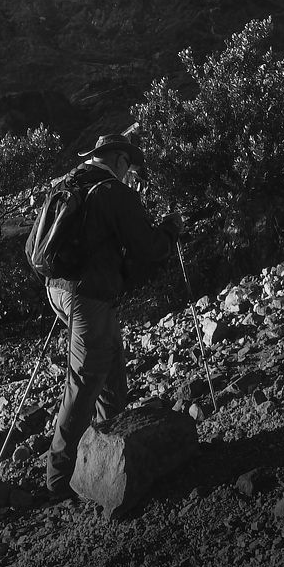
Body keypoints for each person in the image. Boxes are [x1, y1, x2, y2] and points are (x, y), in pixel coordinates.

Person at [43, 133, 184, 500]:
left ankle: (108, 449)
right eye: (129, 165)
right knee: (85, 379)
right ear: (119, 160)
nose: (131, 173)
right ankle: (59, 480)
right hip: (86, 296)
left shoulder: (68, 185)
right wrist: (170, 229)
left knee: (109, 366)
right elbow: (148, 247)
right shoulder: (114, 193)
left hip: (58, 290)